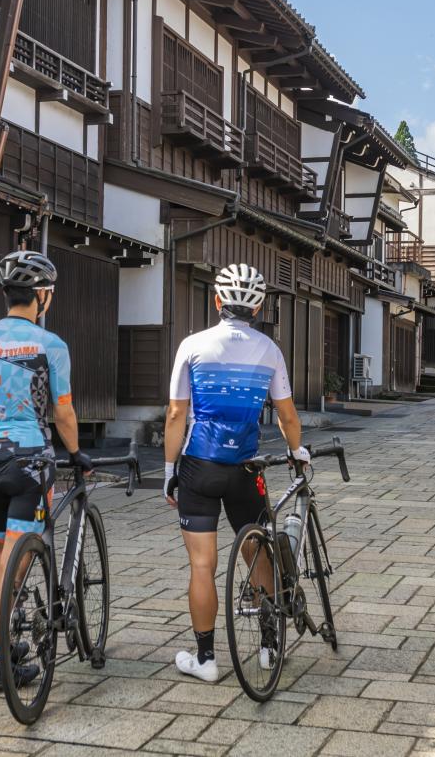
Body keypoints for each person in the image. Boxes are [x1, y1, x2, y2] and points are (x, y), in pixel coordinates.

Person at [0, 249, 91, 695]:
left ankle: (4, 644)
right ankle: (0, 664)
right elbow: (63, 410)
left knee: (2, 556)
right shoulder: (51, 345)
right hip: (31, 464)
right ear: (42, 296)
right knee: (18, 561)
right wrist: (77, 453)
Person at [163, 263, 307, 682]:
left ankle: (206, 660)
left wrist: (170, 468)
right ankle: (268, 648)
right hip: (246, 467)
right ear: (258, 307)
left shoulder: (192, 345)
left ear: (217, 301)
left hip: (199, 467)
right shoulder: (269, 350)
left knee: (202, 565)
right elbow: (287, 415)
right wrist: (296, 450)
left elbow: (176, 414)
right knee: (257, 551)